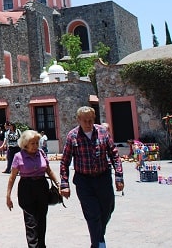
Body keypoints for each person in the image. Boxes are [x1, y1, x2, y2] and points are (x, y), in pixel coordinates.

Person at [60, 106, 123, 248]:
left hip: (103, 178)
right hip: (84, 181)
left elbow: (114, 155)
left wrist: (119, 177)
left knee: (107, 209)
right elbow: (65, 161)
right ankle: (99, 244)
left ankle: (98, 237)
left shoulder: (102, 132)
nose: (88, 123)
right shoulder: (72, 136)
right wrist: (64, 184)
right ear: (79, 120)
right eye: (85, 121)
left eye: (91, 120)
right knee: (93, 214)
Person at [7, 130, 60, 248]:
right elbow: (12, 177)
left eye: (37, 143)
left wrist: (58, 184)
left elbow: (48, 170)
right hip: (26, 188)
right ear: (25, 144)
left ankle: (42, 245)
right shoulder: (18, 156)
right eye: (33, 143)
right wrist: (8, 196)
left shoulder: (41, 153)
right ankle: (33, 246)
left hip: (42, 186)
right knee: (31, 221)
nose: (36, 146)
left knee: (42, 219)